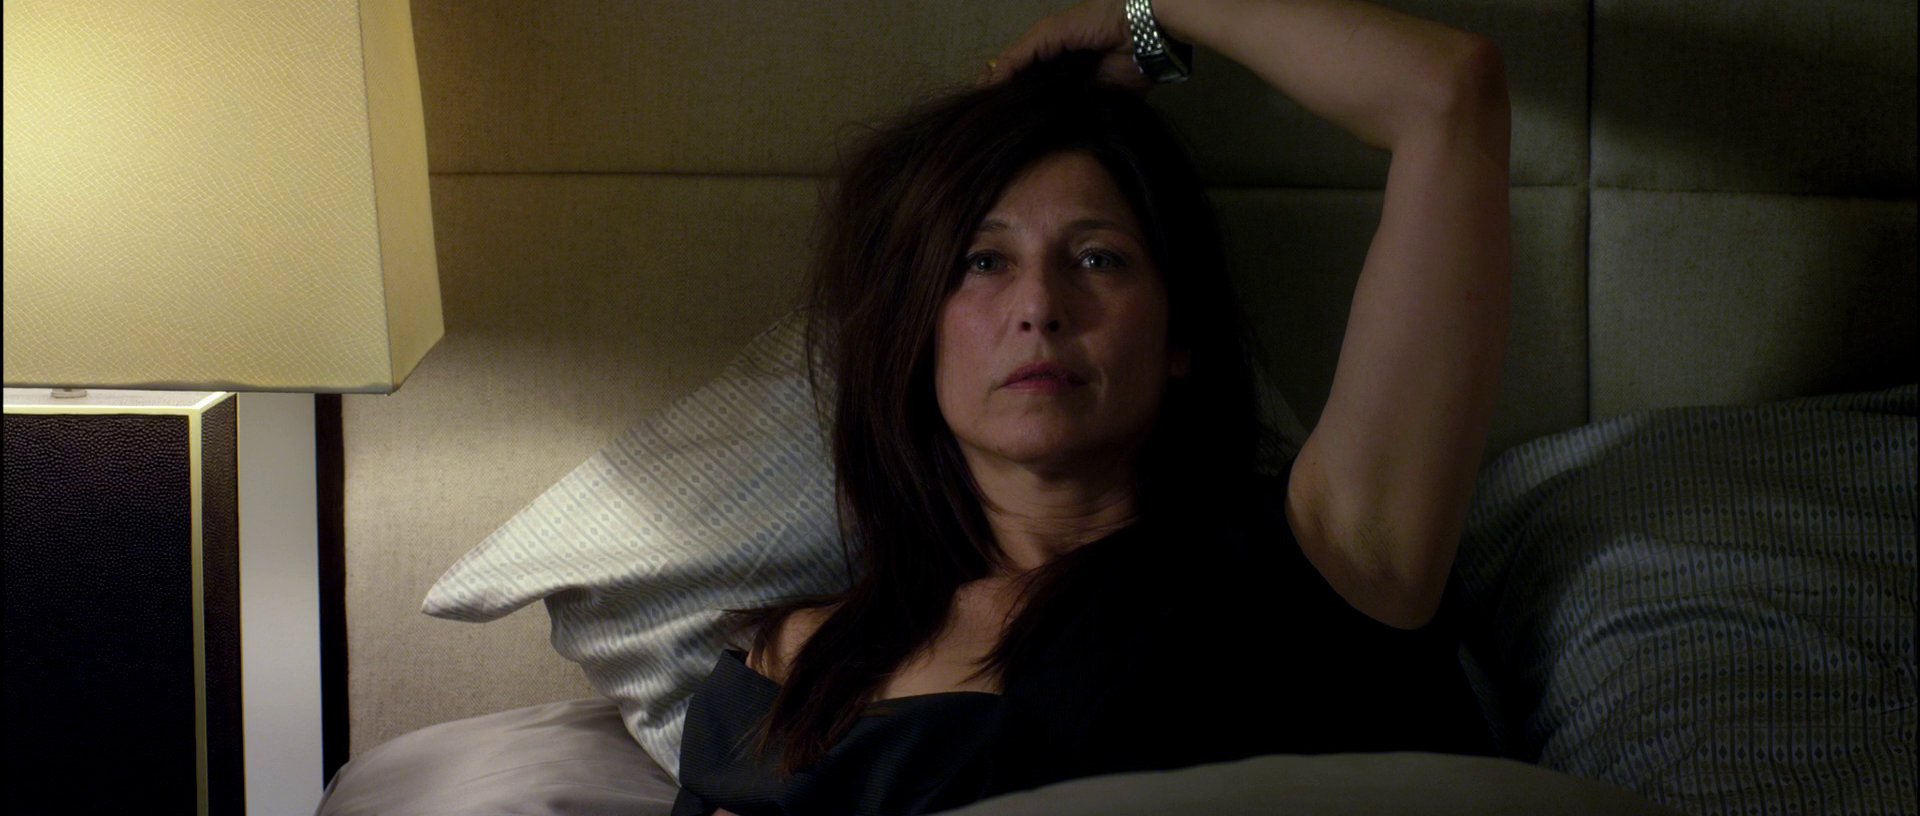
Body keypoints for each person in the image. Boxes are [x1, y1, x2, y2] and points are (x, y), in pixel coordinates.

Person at [670, 0, 1510, 813]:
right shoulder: (803, 662)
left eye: (1098, 258)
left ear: (1179, 334)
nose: (1039, 306)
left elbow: (1447, 92)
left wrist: (1149, 14)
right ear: (914, 336)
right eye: (983, 262)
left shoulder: (1330, 552)